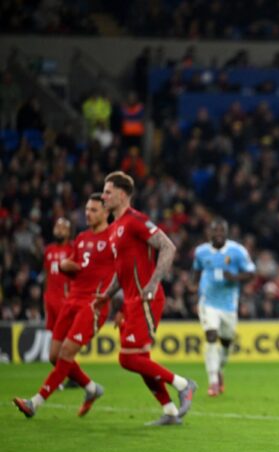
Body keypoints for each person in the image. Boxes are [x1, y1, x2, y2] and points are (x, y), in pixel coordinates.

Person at [94, 171, 197, 426]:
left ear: (121, 194)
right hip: (130, 301)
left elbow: (168, 246)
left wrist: (152, 284)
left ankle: (183, 384)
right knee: (141, 360)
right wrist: (107, 296)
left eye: (107, 192)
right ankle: (171, 412)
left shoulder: (135, 220)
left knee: (128, 359)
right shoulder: (114, 228)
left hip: (146, 298)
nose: (104, 196)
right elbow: (122, 271)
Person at [13, 194, 113, 418]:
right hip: (72, 300)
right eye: (87, 209)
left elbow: (123, 271)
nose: (88, 213)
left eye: (94, 210)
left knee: (67, 352)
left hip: (92, 304)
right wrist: (68, 265)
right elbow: (76, 267)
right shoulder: (81, 238)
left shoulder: (113, 238)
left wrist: (123, 305)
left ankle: (34, 403)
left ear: (106, 212)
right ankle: (91, 388)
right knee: (54, 356)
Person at [193, 219, 255, 396]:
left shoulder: (237, 251)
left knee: (226, 342)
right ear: (209, 233)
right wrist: (192, 285)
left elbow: (251, 273)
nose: (218, 233)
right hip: (207, 302)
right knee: (211, 335)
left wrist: (235, 278)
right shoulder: (201, 252)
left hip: (228, 305)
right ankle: (212, 381)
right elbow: (196, 270)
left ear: (227, 233)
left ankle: (219, 369)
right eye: (215, 230)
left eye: (222, 230)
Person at [42, 217, 73, 361]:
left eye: (62, 228)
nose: (58, 230)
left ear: (68, 232)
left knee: (66, 338)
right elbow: (46, 275)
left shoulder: (72, 249)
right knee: (55, 336)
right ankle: (66, 372)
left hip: (65, 299)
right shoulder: (48, 250)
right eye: (57, 227)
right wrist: (45, 297)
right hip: (50, 298)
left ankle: (68, 371)